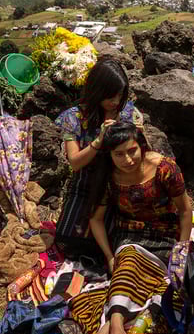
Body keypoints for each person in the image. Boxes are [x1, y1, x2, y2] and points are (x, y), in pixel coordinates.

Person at [70, 121, 193, 334]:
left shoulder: (165, 169)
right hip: (128, 235)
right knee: (127, 262)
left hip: (165, 237)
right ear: (110, 156)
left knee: (162, 285)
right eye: (119, 154)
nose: (127, 159)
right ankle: (116, 323)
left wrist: (182, 250)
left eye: (131, 151)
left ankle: (105, 329)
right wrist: (108, 256)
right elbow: (95, 220)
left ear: (141, 146)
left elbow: (186, 211)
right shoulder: (110, 177)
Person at [54, 58, 143, 259]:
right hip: (85, 184)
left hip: (118, 185)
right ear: (97, 92)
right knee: (70, 240)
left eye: (120, 95)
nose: (116, 102)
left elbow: (138, 150)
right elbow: (75, 162)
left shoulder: (127, 112)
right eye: (110, 96)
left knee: (118, 240)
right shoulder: (74, 118)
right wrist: (99, 140)